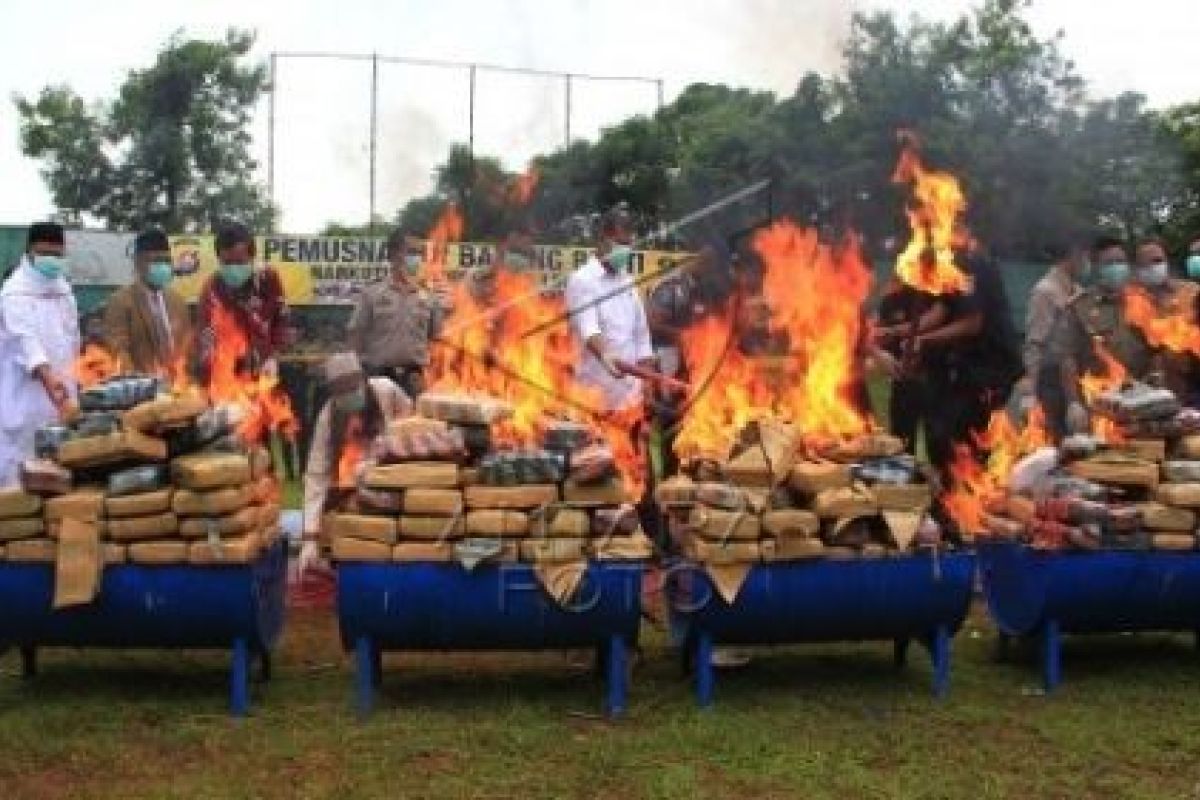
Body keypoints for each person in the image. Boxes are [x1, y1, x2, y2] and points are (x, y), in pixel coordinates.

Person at [299, 352, 413, 574]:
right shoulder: (328, 417)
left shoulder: (386, 391)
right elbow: (316, 475)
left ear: (363, 381)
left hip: (396, 475)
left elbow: (412, 424)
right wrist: (309, 538)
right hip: (353, 488)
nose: (351, 397)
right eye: (343, 394)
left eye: (353, 390)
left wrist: (385, 458)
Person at [0, 222, 79, 487]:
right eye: (45, 253)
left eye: (58, 255)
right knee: (21, 484)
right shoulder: (13, 292)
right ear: (30, 252)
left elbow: (72, 340)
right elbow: (25, 340)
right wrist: (47, 375)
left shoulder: (64, 290)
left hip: (62, 399)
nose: (52, 260)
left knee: (62, 476)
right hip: (27, 401)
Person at [563, 211, 655, 412]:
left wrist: (647, 381)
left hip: (631, 400)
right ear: (603, 240)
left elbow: (641, 335)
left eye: (629, 245)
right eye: (620, 243)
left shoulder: (628, 281)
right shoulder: (582, 280)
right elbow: (589, 330)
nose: (625, 250)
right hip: (594, 399)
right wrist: (606, 355)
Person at [348, 228, 445, 400]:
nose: (416, 259)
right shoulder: (372, 293)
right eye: (410, 252)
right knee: (379, 425)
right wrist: (357, 372)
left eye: (419, 253)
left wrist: (432, 376)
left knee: (416, 426)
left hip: (415, 379)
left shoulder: (430, 297)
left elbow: (437, 340)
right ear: (393, 254)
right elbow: (356, 334)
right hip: (378, 377)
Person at [194, 222, 290, 383]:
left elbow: (282, 319)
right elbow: (204, 334)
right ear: (219, 259)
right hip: (226, 373)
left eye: (239, 263)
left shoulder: (268, 279)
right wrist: (208, 358)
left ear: (252, 258)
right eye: (227, 263)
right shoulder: (212, 288)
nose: (233, 268)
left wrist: (274, 356)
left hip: (264, 369)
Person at [1015, 240, 1089, 440]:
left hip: (1075, 380)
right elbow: (1034, 343)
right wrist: (1029, 392)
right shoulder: (1045, 291)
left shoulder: (1077, 290)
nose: (1087, 260)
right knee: (1053, 445)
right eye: (1084, 254)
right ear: (1073, 254)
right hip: (1050, 383)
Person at [102, 229, 191, 376]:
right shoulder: (120, 301)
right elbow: (118, 350)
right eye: (156, 260)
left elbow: (187, 346)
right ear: (138, 263)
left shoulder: (178, 301)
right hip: (142, 390)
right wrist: (138, 385)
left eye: (166, 261)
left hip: (177, 388)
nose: (163, 266)